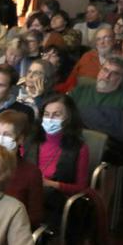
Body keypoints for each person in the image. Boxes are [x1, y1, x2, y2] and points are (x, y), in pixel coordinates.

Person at [29, 93, 91, 222]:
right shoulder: (30, 141)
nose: (50, 119)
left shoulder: (79, 148)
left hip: (54, 201)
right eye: (46, 114)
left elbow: (81, 189)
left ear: (69, 117)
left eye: (56, 115)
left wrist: (51, 184)